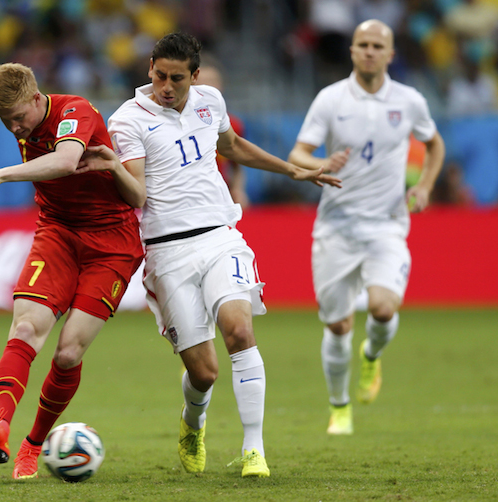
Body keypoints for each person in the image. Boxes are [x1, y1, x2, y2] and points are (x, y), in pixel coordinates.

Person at [76, 32, 341, 477]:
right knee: (204, 373)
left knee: (239, 331)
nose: (166, 86)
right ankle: (192, 422)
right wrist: (114, 168)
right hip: (167, 251)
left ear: (194, 76)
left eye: (177, 78)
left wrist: (292, 169)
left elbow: (231, 147)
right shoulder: (127, 120)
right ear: (150, 68)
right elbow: (137, 194)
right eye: (160, 75)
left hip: (220, 236)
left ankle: (253, 449)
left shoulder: (210, 101)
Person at [0, 63, 144, 479]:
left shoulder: (74, 111)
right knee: (25, 328)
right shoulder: (23, 122)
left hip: (111, 242)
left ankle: (33, 444)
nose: (14, 128)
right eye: (4, 121)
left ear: (35, 97)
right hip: (57, 232)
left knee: (67, 353)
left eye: (18, 117)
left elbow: (65, 161)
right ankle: (1, 426)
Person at [288, 19, 446, 435]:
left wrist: (425, 185)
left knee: (382, 307)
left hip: (386, 225)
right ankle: (339, 406)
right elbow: (298, 153)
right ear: (352, 51)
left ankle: (372, 356)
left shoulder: (409, 101)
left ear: (390, 54)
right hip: (336, 227)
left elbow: (434, 144)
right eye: (363, 44)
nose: (370, 51)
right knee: (338, 326)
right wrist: (321, 164)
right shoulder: (331, 99)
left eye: (378, 45)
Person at [194, 57, 249, 209]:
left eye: (213, 82)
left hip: (220, 201)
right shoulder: (178, 123)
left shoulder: (233, 125)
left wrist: (238, 190)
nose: (208, 87)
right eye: (203, 82)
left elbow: (237, 165)